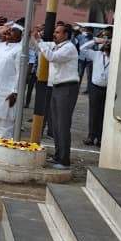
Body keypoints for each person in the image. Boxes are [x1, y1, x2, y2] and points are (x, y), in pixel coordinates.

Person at [38, 22, 82, 170]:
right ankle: (58, 156)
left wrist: (39, 42)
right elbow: (41, 46)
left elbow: (52, 57)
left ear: (66, 34)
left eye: (58, 32)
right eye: (55, 32)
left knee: (63, 124)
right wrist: (35, 37)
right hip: (57, 87)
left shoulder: (69, 47)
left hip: (67, 87)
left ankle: (64, 160)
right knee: (56, 124)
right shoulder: (57, 46)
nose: (54, 34)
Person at [79, 29, 112, 147]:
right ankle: (91, 136)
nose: (106, 43)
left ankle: (100, 138)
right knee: (93, 113)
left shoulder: (115, 58)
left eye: (108, 40)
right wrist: (95, 41)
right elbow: (83, 49)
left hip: (107, 89)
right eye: (104, 40)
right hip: (95, 88)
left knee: (103, 114)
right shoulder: (97, 55)